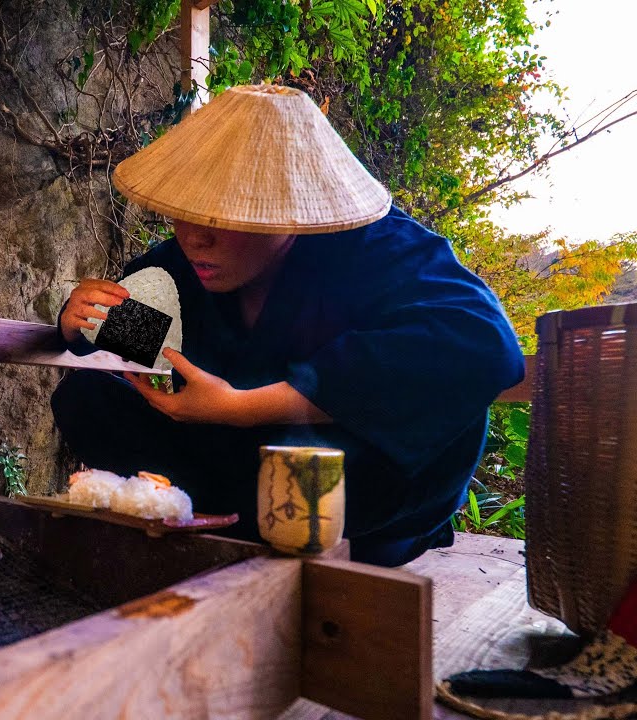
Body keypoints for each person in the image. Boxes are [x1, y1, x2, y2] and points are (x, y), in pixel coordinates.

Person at [51, 84, 525, 566]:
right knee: (85, 399)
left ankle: (236, 524)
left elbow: (487, 347)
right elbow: (140, 330)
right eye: (184, 213)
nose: (195, 238)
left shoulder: (380, 248)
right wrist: (79, 320)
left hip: (360, 494)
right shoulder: (183, 264)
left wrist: (243, 408)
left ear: (288, 213)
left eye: (222, 216)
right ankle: (220, 521)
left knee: (314, 462)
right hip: (238, 475)